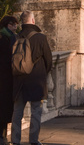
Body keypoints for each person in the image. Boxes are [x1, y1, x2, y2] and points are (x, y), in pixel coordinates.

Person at [11, 10, 53, 145]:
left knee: (17, 113)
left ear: (22, 21)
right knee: (36, 112)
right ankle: (33, 141)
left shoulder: (15, 37)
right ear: (33, 21)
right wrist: (42, 74)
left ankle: (15, 141)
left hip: (19, 80)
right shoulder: (40, 38)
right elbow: (49, 60)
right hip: (36, 81)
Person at [0, 15, 18, 145]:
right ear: (8, 25)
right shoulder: (0, 36)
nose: (16, 26)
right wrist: (6, 63)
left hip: (9, 78)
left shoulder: (12, 37)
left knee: (5, 109)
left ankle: (2, 136)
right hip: (2, 78)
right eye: (13, 24)